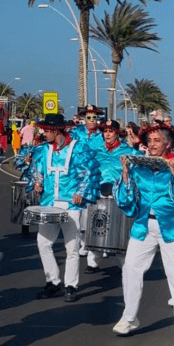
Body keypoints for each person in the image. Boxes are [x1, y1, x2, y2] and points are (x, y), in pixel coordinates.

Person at [112, 121, 174, 343]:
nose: (152, 145)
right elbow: (128, 203)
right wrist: (124, 176)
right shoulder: (138, 167)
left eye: (157, 140)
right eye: (149, 141)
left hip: (172, 227)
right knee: (130, 269)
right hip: (143, 226)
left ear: (168, 143)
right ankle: (129, 317)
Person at [31, 113, 100, 302]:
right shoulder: (43, 150)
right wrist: (38, 182)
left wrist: (81, 191)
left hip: (70, 205)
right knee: (43, 244)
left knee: (72, 247)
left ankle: (71, 285)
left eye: (46, 130)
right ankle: (52, 281)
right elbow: (37, 170)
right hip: (49, 203)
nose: (44, 133)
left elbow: (88, 172)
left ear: (56, 130)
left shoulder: (78, 149)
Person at [84, 119, 140, 273]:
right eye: (105, 131)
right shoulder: (96, 150)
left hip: (118, 195)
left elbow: (140, 167)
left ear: (117, 133)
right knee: (97, 226)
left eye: (111, 131)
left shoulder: (128, 152)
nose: (107, 134)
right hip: (99, 194)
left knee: (119, 231)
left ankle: (125, 264)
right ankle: (92, 262)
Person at [70, 105, 108, 262]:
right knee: (79, 214)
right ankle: (84, 242)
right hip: (78, 178)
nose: (91, 120)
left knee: (94, 213)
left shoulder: (103, 136)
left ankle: (96, 248)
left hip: (97, 178)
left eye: (94, 117)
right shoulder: (75, 133)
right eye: (88, 117)